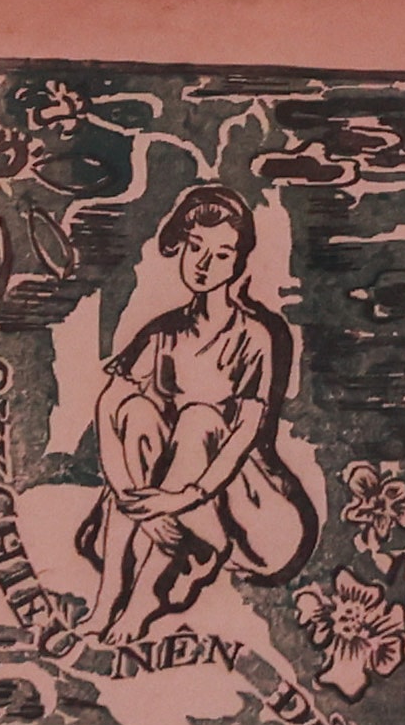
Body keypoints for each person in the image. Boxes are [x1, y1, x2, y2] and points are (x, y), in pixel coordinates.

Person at [71, 183, 317, 649]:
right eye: (196, 247)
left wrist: (180, 499)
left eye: (222, 254)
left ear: (238, 263)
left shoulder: (256, 336)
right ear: (180, 247)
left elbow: (244, 434)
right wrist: (129, 495)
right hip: (176, 502)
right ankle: (109, 596)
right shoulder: (163, 333)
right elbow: (108, 406)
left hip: (250, 511)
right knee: (138, 411)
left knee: (199, 420)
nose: (204, 264)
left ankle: (145, 597)